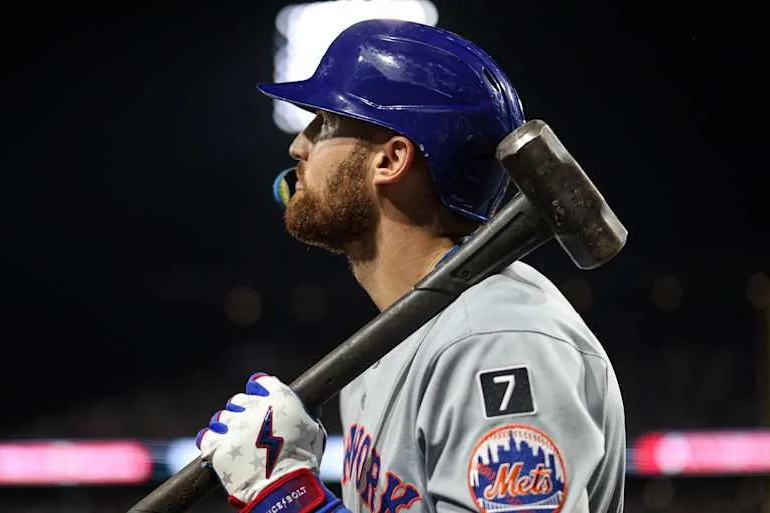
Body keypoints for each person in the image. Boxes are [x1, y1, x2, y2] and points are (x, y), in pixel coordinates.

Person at [195, 18, 626, 513]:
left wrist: (290, 500)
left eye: (324, 123)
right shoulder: (391, 347)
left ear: (391, 160)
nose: (298, 147)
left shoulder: (496, 337)